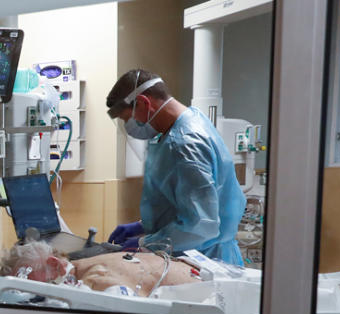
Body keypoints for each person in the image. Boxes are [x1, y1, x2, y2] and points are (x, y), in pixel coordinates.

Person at [105, 69, 247, 265]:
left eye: (127, 118)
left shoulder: (186, 143)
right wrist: (144, 226)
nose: (130, 126)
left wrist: (143, 243)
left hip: (205, 261)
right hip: (195, 256)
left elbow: (201, 225)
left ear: (145, 103)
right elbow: (184, 204)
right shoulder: (188, 123)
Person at [0, 240, 202, 296]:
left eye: (33, 286)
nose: (34, 295)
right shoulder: (97, 263)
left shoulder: (97, 279)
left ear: (55, 265)